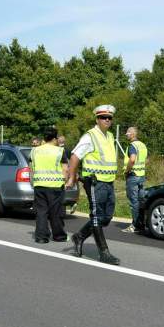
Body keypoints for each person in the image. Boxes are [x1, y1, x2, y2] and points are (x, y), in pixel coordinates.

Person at [66, 105, 121, 265]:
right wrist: (72, 177)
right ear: (97, 119)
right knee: (97, 216)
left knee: (106, 217)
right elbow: (75, 157)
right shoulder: (90, 136)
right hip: (94, 182)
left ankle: (79, 236)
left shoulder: (110, 136)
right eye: (104, 117)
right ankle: (104, 252)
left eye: (110, 118)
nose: (107, 120)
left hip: (108, 182)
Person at [30, 127, 68, 243]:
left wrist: (33, 182)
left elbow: (31, 168)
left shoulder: (35, 151)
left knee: (41, 212)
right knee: (55, 212)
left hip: (39, 185)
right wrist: (65, 182)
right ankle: (59, 236)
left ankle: (41, 237)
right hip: (55, 185)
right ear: (55, 138)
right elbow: (65, 169)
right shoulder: (59, 151)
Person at [122, 127, 147, 234]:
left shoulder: (132, 146)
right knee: (141, 200)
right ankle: (141, 224)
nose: (126, 134)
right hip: (141, 176)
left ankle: (134, 225)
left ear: (132, 134)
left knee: (134, 202)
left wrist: (127, 171)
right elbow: (147, 160)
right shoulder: (142, 145)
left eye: (127, 133)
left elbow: (132, 159)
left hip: (133, 176)